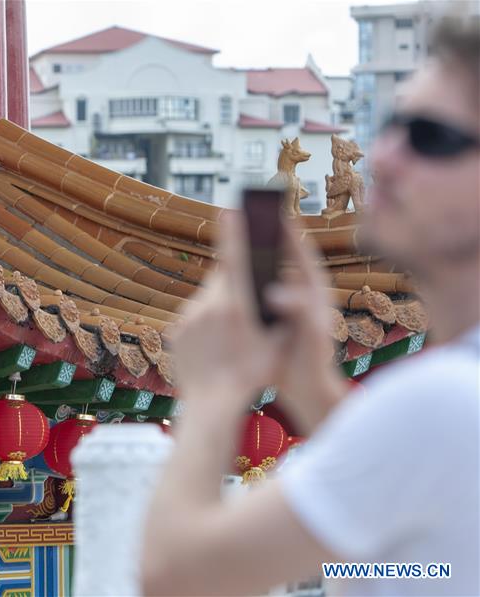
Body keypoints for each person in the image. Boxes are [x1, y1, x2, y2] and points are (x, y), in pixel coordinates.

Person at [142, 14, 479, 597]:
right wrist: (307, 381)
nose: (386, 158)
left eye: (432, 138)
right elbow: (431, 561)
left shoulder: (443, 399)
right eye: (392, 125)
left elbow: (177, 576)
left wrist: (214, 389)